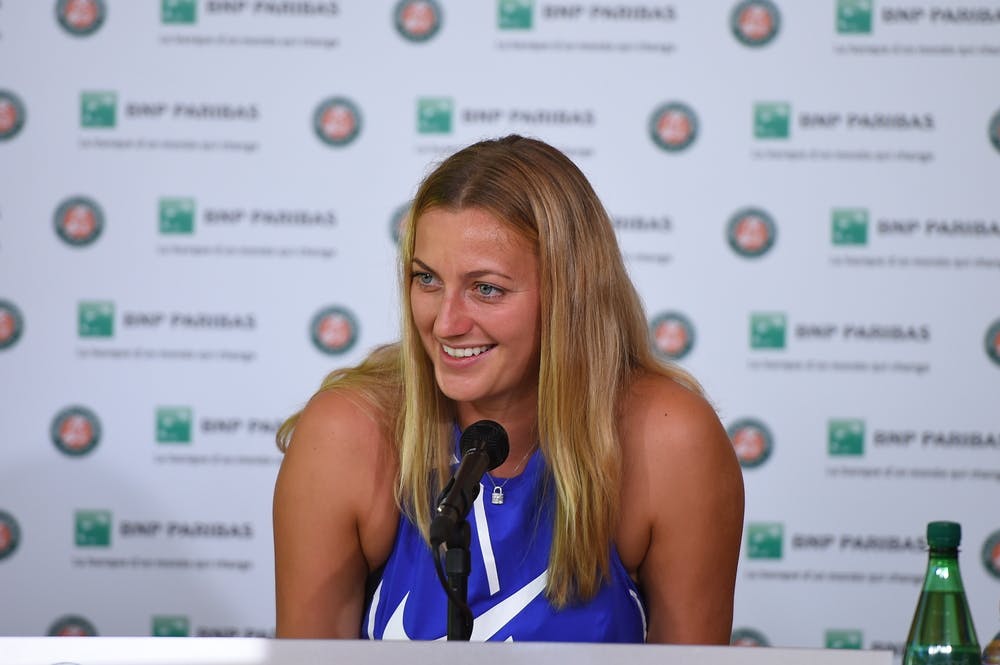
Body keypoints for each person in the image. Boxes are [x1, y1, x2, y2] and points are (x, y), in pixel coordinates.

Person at [272, 135, 744, 643]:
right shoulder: (347, 433)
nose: (446, 323)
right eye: (427, 279)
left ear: (571, 295)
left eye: (487, 288)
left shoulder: (669, 440)